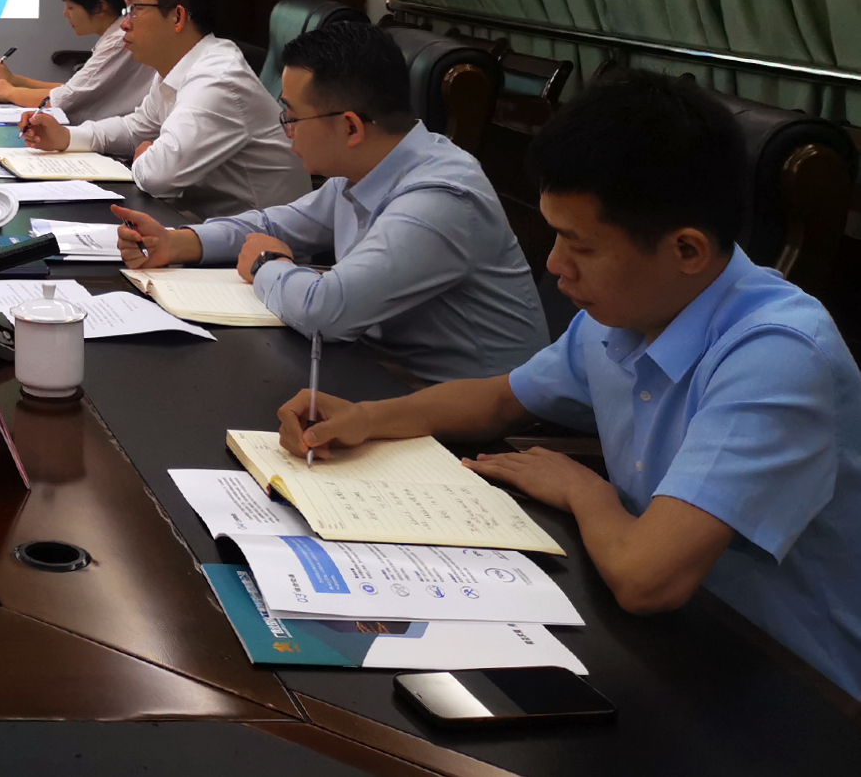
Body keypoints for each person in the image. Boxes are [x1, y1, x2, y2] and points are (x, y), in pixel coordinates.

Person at [277, 71, 861, 698]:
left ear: (687, 250)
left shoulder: (777, 355)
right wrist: (368, 417)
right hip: (665, 643)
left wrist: (584, 489)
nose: (554, 264)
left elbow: (648, 579)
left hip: (792, 684)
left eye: (579, 245)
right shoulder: (626, 312)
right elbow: (501, 398)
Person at [116, 18, 546, 382]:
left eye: (291, 117)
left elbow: (326, 311)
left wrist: (267, 264)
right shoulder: (368, 166)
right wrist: (180, 242)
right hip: (383, 375)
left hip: (471, 420)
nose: (285, 130)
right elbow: (275, 225)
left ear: (351, 127)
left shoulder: (440, 200)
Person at [20, 0, 308, 216]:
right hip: (206, 224)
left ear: (178, 17)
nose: (124, 24)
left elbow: (158, 176)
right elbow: (135, 128)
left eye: (135, 9)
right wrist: (67, 137)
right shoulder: (176, 67)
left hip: (260, 240)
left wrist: (146, 155)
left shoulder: (218, 79)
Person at [0, 0, 154, 121]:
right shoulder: (115, 36)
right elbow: (73, 91)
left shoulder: (119, 39)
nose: (65, 13)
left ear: (100, 7)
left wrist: (9, 92)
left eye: (70, 6)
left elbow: (63, 100)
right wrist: (14, 81)